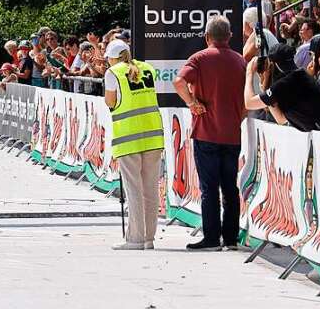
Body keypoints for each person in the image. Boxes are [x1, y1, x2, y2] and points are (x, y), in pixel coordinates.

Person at [173, 16, 247, 251]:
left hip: (206, 132)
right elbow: (249, 98)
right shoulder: (240, 60)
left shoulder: (200, 58)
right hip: (232, 134)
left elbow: (178, 82)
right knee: (230, 188)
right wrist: (238, 116)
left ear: (207, 37)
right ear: (230, 37)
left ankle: (212, 238)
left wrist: (192, 102)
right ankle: (232, 239)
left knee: (209, 188)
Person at [104, 40, 164, 251]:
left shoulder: (113, 73)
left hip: (129, 137)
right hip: (153, 136)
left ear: (112, 57)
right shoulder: (147, 68)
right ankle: (149, 238)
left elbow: (111, 102)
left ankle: (135, 239)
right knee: (150, 190)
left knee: (134, 191)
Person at [244, 44, 320, 132]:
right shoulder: (300, 75)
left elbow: (249, 103)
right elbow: (281, 119)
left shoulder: (286, 83)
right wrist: (265, 88)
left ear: (273, 64)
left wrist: (249, 73)